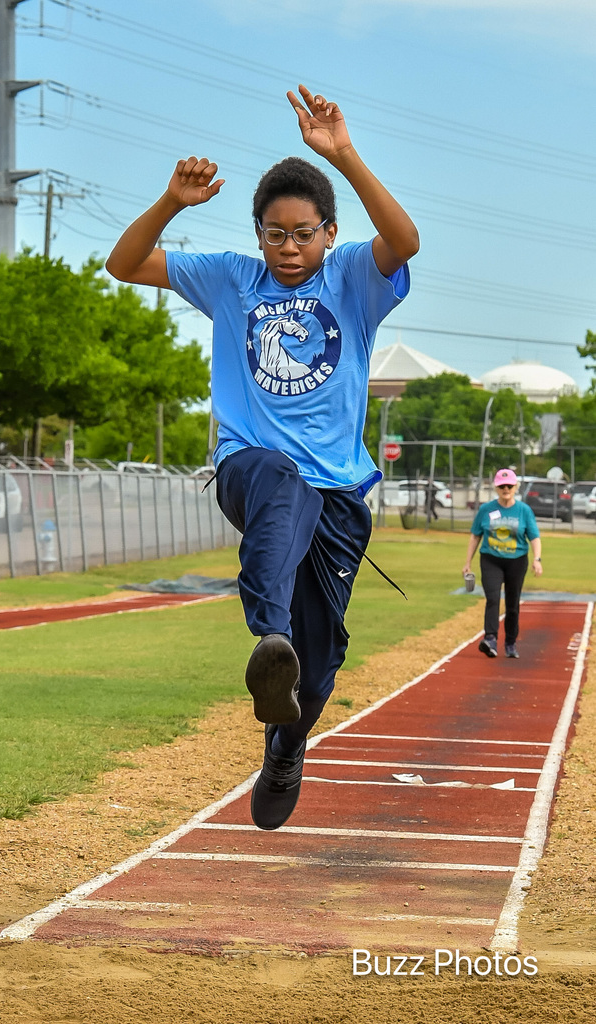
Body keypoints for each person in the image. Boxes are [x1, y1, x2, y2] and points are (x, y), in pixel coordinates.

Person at [106, 84, 419, 831]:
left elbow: (402, 242)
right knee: (277, 478)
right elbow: (124, 263)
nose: (288, 248)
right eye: (274, 234)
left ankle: (286, 744)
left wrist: (343, 154)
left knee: (322, 661)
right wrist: (171, 201)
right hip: (250, 466)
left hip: (336, 493)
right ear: (256, 235)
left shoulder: (351, 277)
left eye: (303, 234)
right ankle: (267, 634)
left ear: (327, 231)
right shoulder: (229, 279)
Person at [463, 468, 542, 659]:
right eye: (501, 486)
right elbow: (475, 536)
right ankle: (490, 638)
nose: (505, 488)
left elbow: (534, 537)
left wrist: (537, 559)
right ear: (496, 488)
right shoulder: (486, 509)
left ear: (515, 487)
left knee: (512, 604)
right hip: (491, 559)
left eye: (509, 485)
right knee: (492, 598)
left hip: (517, 561)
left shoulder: (523, 510)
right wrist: (467, 562)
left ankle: (510, 642)